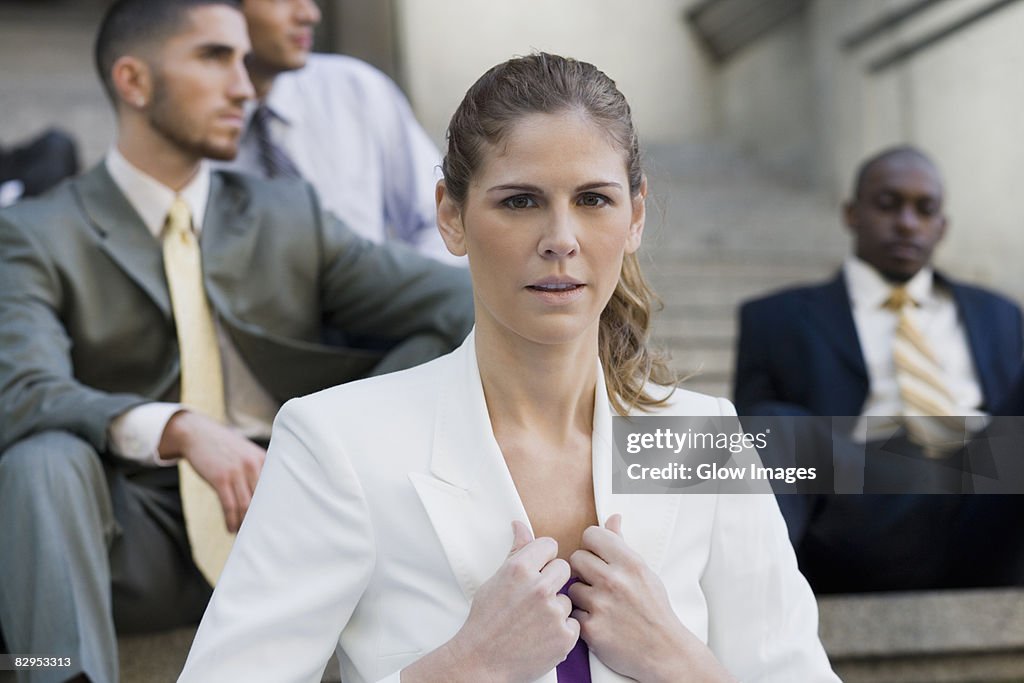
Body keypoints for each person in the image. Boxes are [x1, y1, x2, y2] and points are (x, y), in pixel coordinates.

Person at [180, 53, 838, 683]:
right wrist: (466, 666)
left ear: (636, 214)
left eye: (594, 199)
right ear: (450, 215)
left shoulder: (702, 440)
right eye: (520, 200)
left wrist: (677, 659)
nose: (561, 237)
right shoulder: (339, 441)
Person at [0, 1, 473, 681]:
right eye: (215, 57)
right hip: (136, 538)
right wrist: (181, 428)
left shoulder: (290, 213)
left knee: (447, 338)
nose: (245, 87)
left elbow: (456, 299)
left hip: (299, 518)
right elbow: (23, 391)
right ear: (133, 82)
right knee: (40, 459)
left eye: (245, 62)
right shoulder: (36, 232)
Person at [733, 145, 1024, 592]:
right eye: (889, 205)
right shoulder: (776, 319)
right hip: (861, 511)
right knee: (773, 425)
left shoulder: (1001, 316)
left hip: (987, 508)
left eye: (924, 210)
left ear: (941, 227)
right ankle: (754, 603)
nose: (907, 223)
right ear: (852, 213)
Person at [220, 0, 453, 261]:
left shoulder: (356, 90)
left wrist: (406, 295)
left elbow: (440, 220)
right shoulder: (188, 129)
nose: (309, 14)